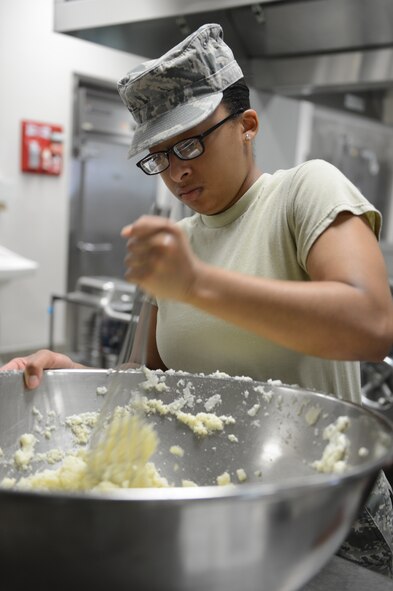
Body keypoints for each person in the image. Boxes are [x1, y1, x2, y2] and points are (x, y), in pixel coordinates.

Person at [2, 23, 393, 577]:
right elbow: (150, 387)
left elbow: (370, 321)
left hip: (324, 517)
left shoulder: (303, 192)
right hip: (213, 509)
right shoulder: (180, 243)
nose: (177, 171)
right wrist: (76, 378)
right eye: (158, 157)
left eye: (190, 143)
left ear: (247, 126)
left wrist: (197, 285)